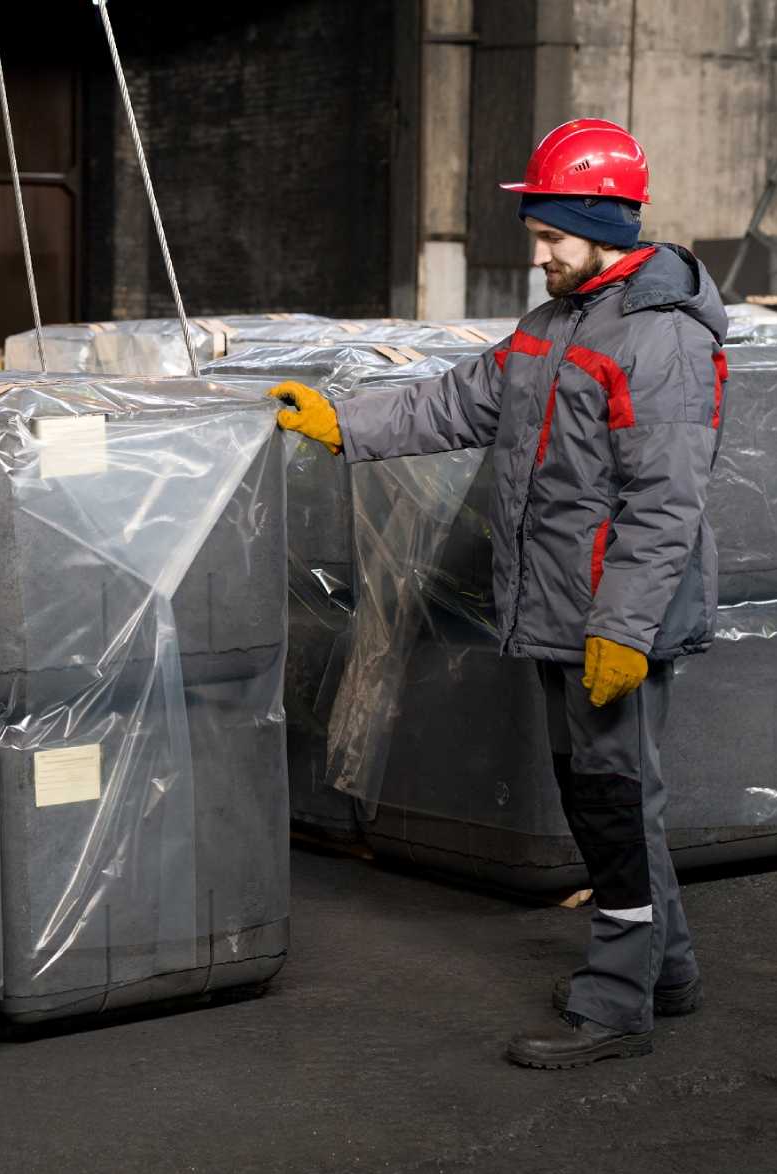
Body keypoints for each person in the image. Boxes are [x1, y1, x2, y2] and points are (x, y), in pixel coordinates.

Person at [269, 119, 728, 1070]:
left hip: (611, 615)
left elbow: (665, 502)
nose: (540, 252)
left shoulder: (661, 343)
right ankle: (665, 972)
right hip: (563, 605)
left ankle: (614, 1004)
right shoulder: (552, 328)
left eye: (553, 235)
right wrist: (339, 422)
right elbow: (454, 401)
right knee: (611, 794)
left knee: (611, 800)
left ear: (605, 226)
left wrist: (625, 629)